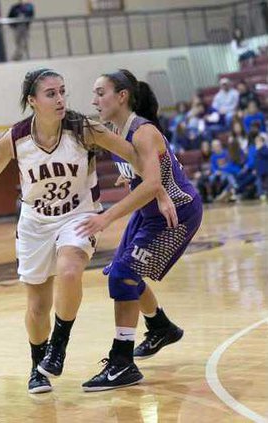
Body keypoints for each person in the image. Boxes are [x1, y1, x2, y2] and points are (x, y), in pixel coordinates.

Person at [0, 68, 177, 394]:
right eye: (51, 94)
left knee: (71, 268)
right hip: (35, 223)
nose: (60, 99)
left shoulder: (83, 128)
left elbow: (136, 156)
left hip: (78, 215)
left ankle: (58, 345)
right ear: (33, 101)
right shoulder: (16, 138)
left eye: (62, 92)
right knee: (36, 305)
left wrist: (157, 190)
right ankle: (38, 368)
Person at [77, 69, 203, 392]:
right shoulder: (116, 130)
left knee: (124, 276)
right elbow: (148, 172)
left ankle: (122, 363)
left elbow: (152, 181)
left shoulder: (142, 131)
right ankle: (160, 327)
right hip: (152, 212)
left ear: (122, 96)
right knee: (120, 272)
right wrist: (136, 180)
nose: (94, 99)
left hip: (177, 214)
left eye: (100, 92)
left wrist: (106, 218)